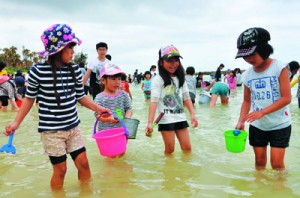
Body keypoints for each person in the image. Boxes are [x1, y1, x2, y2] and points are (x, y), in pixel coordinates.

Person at [3, 24, 110, 189]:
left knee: (84, 164)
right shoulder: (38, 71)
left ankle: (86, 193)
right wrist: (16, 123)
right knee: (61, 170)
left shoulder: (74, 69)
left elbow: (80, 96)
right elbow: (29, 99)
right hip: (51, 131)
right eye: (70, 47)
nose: (73, 51)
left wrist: (98, 108)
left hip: (73, 128)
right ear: (58, 49)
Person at [235, 27, 291, 171]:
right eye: (245, 56)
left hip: (280, 124)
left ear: (264, 49)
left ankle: (279, 190)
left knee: (277, 164)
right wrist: (241, 121)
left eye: (252, 54)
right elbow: (247, 101)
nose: (248, 59)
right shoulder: (247, 75)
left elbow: (286, 98)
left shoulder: (280, 67)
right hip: (258, 125)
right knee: (259, 163)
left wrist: (262, 112)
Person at [145, 45, 198, 155]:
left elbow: (187, 97)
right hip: (166, 119)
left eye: (176, 60)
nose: (174, 64)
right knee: (170, 150)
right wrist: (150, 123)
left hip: (180, 117)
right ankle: (168, 171)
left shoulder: (180, 78)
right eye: (170, 61)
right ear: (161, 62)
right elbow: (153, 101)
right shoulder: (158, 79)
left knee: (187, 148)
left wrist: (192, 114)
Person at [94, 63, 132, 157]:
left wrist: (126, 119)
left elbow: (129, 109)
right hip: (107, 133)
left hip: (121, 131)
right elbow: (97, 115)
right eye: (113, 79)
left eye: (119, 79)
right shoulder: (99, 98)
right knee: (110, 156)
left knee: (122, 153)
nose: (117, 82)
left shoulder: (123, 94)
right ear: (103, 80)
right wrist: (108, 119)